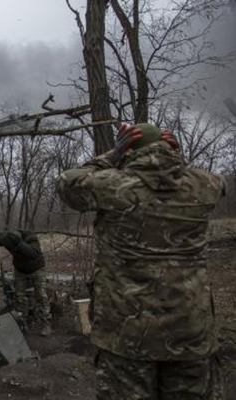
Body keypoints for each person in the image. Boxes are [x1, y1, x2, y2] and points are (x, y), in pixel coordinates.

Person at [56, 123, 224, 399]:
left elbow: (67, 182)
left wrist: (112, 154)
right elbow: (199, 181)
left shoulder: (112, 185)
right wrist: (173, 156)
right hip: (191, 331)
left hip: (126, 334)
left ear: (128, 150)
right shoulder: (205, 185)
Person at [0, 230, 51, 336]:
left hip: (36, 268)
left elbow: (33, 253)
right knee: (19, 297)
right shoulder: (8, 239)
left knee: (41, 295)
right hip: (20, 269)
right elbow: (0, 240)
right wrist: (2, 238)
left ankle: (46, 324)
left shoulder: (31, 237)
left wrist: (19, 244)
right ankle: (22, 324)